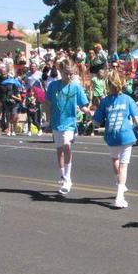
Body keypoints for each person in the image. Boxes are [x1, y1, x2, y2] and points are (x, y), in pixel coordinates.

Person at [93, 69, 138, 208]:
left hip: (111, 136)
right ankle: (120, 195)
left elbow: (96, 122)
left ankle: (119, 183)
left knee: (115, 160)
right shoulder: (127, 99)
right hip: (126, 135)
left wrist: (92, 118)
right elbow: (136, 117)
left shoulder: (105, 101)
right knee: (124, 166)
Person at [46, 61, 90, 195]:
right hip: (56, 122)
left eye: (72, 74)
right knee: (59, 150)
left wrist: (88, 111)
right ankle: (62, 175)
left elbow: (83, 105)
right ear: (60, 71)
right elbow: (47, 103)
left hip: (70, 123)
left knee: (67, 145)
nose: (69, 76)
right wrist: (47, 120)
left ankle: (68, 178)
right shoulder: (53, 85)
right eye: (67, 73)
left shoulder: (76, 87)